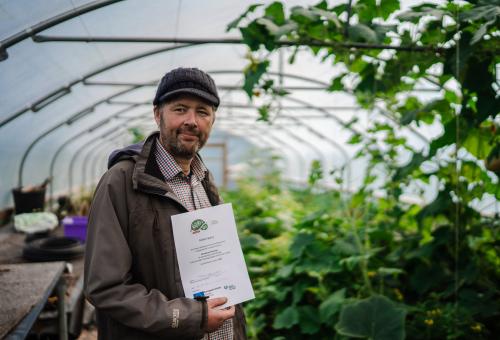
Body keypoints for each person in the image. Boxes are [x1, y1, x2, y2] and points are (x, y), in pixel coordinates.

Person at [84, 67, 246, 340]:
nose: (192, 121)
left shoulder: (203, 178)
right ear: (158, 114)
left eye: (203, 112)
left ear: (212, 121)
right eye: (180, 109)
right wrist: (193, 317)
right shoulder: (121, 182)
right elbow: (105, 287)